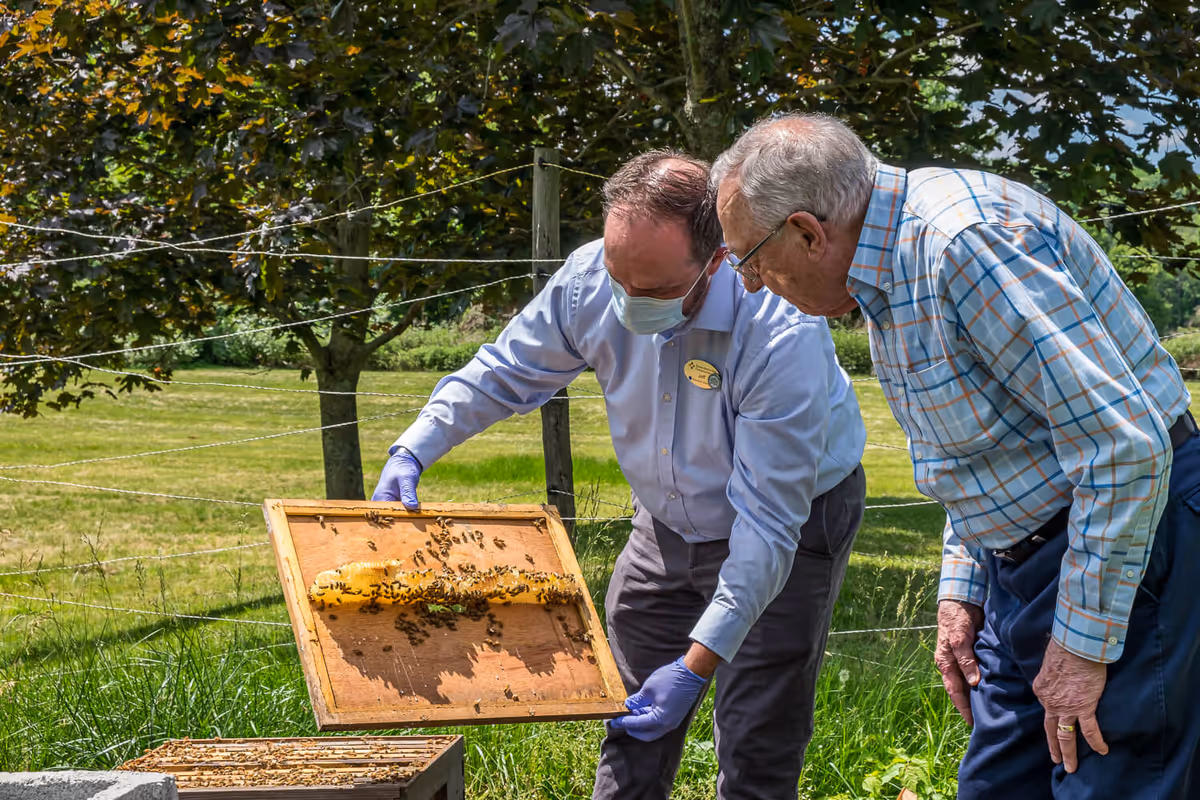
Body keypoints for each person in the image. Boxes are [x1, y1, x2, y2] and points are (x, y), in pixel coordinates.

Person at [710, 112, 1200, 799]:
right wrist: (961, 593)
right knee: (997, 784)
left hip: (1126, 544)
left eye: (752, 258)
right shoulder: (882, 267)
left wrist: (1085, 643)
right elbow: (976, 451)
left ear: (806, 232)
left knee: (1109, 780)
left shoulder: (962, 246)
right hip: (1026, 564)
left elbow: (1123, 448)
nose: (754, 283)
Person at [371, 149, 867, 799]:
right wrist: (413, 448)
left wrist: (695, 665)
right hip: (662, 521)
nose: (630, 303)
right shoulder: (588, 280)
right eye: (618, 278)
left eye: (657, 290)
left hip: (792, 523)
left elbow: (768, 525)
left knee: (756, 736)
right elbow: (505, 372)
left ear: (718, 261)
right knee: (630, 721)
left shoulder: (780, 327)